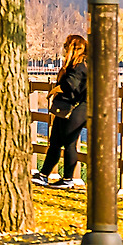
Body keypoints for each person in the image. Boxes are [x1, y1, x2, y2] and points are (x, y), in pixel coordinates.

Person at [34, 34, 89, 189]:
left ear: (73, 47)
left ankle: (67, 179)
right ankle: (43, 175)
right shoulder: (76, 64)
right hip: (67, 105)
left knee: (69, 142)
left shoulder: (80, 65)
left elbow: (71, 84)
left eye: (66, 46)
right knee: (55, 141)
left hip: (79, 106)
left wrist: (54, 90)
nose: (64, 49)